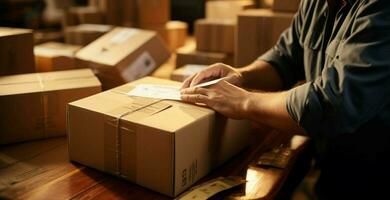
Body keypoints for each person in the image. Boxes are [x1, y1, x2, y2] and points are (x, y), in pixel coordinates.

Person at [180, 0, 390, 199]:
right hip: (329, 162)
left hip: (372, 173)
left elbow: (333, 102)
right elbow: (285, 57)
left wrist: (244, 102)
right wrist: (242, 76)